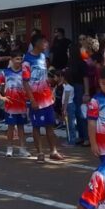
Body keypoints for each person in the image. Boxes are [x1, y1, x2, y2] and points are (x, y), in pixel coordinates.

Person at [24, 34, 64, 163]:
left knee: (49, 125)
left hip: (46, 97)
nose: (46, 44)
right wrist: (32, 99)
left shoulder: (42, 57)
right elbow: (25, 82)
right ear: (37, 43)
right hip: (35, 98)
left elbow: (45, 77)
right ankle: (40, 153)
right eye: (44, 41)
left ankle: (53, 151)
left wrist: (51, 92)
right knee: (36, 127)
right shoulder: (27, 60)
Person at [0, 49, 31, 158]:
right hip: (10, 105)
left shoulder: (25, 73)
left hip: (22, 105)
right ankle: (9, 149)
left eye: (21, 59)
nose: (19, 61)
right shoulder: (5, 72)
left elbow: (29, 86)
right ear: (11, 59)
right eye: (17, 59)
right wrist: (1, 97)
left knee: (21, 127)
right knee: (10, 127)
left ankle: (22, 149)